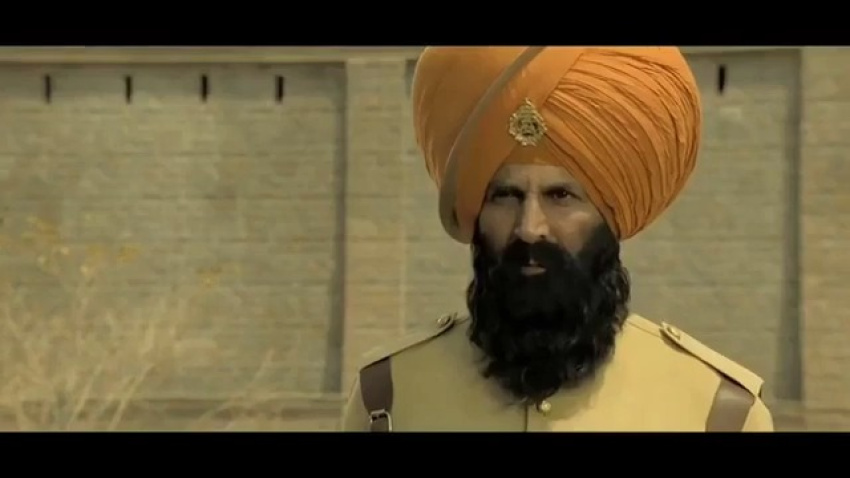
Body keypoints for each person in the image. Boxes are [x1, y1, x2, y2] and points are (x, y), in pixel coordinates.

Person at [340, 46, 774, 432]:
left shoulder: (717, 412)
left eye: (560, 196)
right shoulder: (387, 397)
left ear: (610, 216)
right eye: (506, 196)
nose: (530, 227)